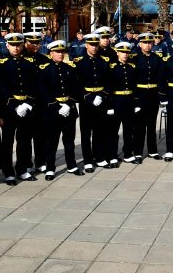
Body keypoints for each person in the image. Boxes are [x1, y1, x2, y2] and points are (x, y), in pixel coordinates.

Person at [0, 33, 39, 185]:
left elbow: (35, 85)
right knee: (7, 142)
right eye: (12, 45)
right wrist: (14, 105)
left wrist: (28, 103)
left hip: (26, 108)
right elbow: (1, 88)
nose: (16, 47)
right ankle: (8, 171)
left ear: (22, 45)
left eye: (18, 44)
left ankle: (22, 169)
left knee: (24, 140)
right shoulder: (2, 64)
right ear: (7, 45)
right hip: (9, 110)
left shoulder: (29, 62)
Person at [38, 40, 84, 179]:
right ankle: (50, 168)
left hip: (68, 110)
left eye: (62, 52)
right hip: (52, 111)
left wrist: (69, 104)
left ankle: (71, 165)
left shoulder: (69, 68)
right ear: (51, 53)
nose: (60, 54)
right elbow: (43, 91)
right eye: (57, 52)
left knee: (69, 141)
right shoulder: (44, 69)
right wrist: (57, 106)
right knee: (51, 142)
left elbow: (76, 89)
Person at [73, 33, 113, 172]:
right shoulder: (80, 62)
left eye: (96, 45)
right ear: (86, 45)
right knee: (86, 133)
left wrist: (102, 95)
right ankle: (88, 160)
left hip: (101, 100)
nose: (94, 47)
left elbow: (109, 81)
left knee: (100, 131)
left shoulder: (104, 61)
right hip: (87, 102)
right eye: (91, 45)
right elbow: (76, 85)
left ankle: (99, 157)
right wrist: (89, 97)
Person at [132, 32, 164, 160]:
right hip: (140, 95)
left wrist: (161, 95)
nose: (147, 45)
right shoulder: (134, 58)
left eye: (149, 43)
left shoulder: (157, 58)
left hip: (153, 95)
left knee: (151, 125)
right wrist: (135, 99)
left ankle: (152, 151)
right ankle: (138, 152)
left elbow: (161, 77)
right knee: (139, 126)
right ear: (139, 44)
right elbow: (132, 79)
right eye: (145, 43)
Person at [23, 32, 51, 175]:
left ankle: (41, 162)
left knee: (41, 135)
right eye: (31, 42)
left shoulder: (44, 59)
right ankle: (27, 163)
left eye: (37, 43)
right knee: (26, 136)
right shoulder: (21, 59)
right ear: (25, 43)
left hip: (41, 104)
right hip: (25, 104)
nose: (35, 45)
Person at [109, 41, 140, 164]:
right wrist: (110, 105)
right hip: (116, 102)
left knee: (129, 130)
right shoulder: (112, 67)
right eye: (122, 52)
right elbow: (109, 87)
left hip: (129, 102)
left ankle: (128, 153)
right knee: (113, 131)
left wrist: (136, 103)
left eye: (127, 52)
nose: (125, 54)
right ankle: (112, 156)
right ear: (117, 53)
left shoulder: (132, 67)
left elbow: (135, 86)